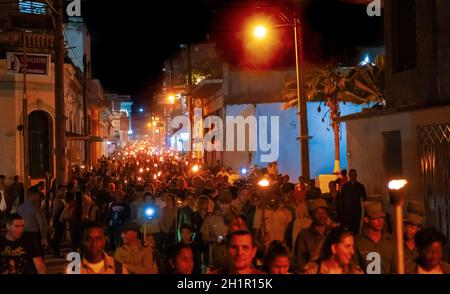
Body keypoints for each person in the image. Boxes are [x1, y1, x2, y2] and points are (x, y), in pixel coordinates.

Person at [353, 201, 396, 274]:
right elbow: (354, 268)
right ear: (366, 220)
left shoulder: (391, 241)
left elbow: (396, 268)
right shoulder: (358, 242)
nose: (380, 221)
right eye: (375, 218)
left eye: (382, 217)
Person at [293, 199, 332, 273]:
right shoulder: (304, 235)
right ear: (311, 215)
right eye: (317, 213)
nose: (321, 216)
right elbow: (299, 260)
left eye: (324, 213)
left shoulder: (333, 233)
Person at [18, 186, 49, 257]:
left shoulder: (20, 207)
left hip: (23, 234)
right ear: (34, 195)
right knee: (37, 257)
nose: (39, 196)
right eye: (38, 194)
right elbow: (42, 224)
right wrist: (44, 238)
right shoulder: (36, 207)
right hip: (34, 236)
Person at [338, 169, 367, 235]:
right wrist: (341, 213)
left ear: (356, 175)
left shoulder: (360, 186)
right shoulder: (345, 187)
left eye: (355, 175)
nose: (353, 176)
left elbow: (365, 200)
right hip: (347, 212)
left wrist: (366, 214)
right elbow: (341, 200)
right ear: (349, 175)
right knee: (348, 230)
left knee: (356, 229)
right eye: (351, 175)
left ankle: (355, 243)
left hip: (357, 211)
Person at [52, 185, 67, 258]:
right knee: (57, 237)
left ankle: (57, 252)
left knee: (59, 237)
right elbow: (56, 213)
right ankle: (56, 253)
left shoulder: (62, 199)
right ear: (58, 191)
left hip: (61, 221)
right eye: (62, 190)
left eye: (64, 190)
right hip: (58, 221)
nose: (64, 192)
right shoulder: (57, 200)